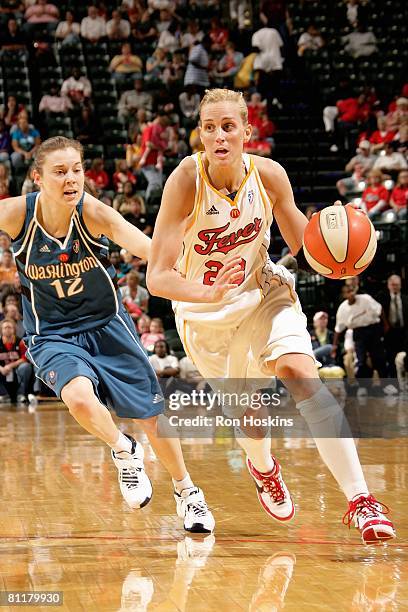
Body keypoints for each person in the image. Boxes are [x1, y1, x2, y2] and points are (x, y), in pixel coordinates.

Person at [147, 88, 395, 544]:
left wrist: (343, 246)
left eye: (228, 126)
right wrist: (205, 289)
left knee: (302, 374)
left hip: (263, 292)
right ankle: (263, 469)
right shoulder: (186, 180)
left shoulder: (269, 176)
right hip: (205, 316)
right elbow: (158, 278)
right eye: (209, 127)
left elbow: (311, 250)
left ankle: (362, 501)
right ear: (199, 134)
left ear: (246, 130)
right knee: (252, 416)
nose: (219, 135)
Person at [0, 136, 214, 533]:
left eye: (77, 170)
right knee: (79, 399)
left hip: (107, 328)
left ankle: (188, 492)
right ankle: (123, 450)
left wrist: (196, 254)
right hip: (53, 335)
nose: (71, 179)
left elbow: (146, 247)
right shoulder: (16, 215)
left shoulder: (93, 212)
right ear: (37, 177)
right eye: (60, 172)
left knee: (152, 417)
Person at [0, 318, 32, 404]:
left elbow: (25, 358)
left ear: (14, 329)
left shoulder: (20, 342)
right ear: (1, 330)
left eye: (9, 327)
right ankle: (3, 394)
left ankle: (21, 394)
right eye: (5, 328)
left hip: (17, 369)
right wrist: (1, 369)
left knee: (26, 367)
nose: (7, 330)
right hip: (2, 370)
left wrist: (11, 366)